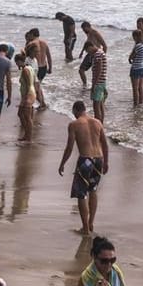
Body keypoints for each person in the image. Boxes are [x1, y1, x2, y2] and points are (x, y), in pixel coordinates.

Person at [57, 100, 109, 234]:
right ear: (85, 109)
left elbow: (69, 147)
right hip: (98, 159)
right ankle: (91, 222)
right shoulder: (97, 122)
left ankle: (85, 228)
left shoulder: (74, 125)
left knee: (81, 194)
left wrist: (62, 163)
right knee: (93, 191)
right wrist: (106, 162)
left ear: (75, 111)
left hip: (85, 160)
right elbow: (105, 144)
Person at [15, 53, 37, 142]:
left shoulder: (25, 70)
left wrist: (25, 98)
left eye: (16, 62)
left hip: (28, 95)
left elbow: (28, 84)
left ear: (20, 61)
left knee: (27, 117)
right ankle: (27, 134)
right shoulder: (30, 68)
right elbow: (34, 81)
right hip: (30, 93)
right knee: (21, 114)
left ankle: (29, 137)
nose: (16, 65)